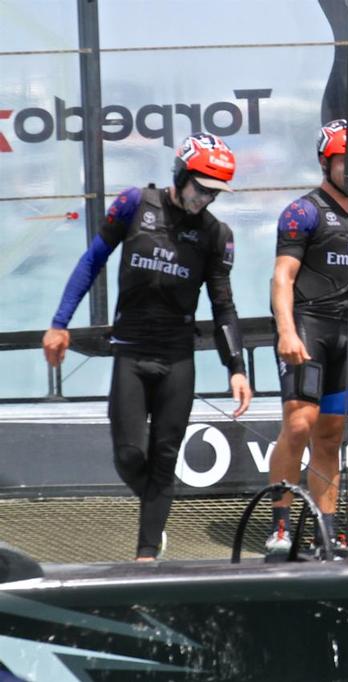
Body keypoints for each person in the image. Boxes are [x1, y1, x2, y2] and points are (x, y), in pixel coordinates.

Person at [42, 132, 252, 561]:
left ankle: (147, 552)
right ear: (181, 174)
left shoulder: (215, 234)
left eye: (214, 193)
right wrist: (59, 323)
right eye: (201, 188)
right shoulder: (136, 204)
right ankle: (157, 509)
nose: (205, 199)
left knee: (164, 456)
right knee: (129, 454)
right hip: (132, 352)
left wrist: (237, 367)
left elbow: (223, 305)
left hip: (177, 358)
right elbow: (92, 260)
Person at [265, 120, 348, 556]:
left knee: (331, 434)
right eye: (345, 161)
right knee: (299, 424)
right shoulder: (303, 211)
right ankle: (280, 527)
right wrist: (286, 332)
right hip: (309, 326)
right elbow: (282, 277)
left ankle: (326, 532)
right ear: (325, 161)